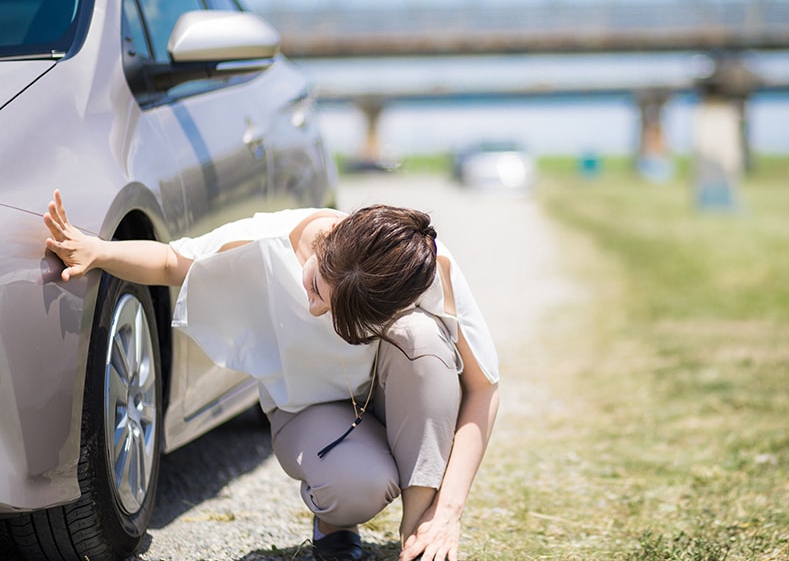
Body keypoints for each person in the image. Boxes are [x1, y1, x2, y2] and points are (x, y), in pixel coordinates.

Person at [43, 190, 500, 561]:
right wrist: (99, 252)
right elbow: (169, 262)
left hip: (391, 394)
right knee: (355, 486)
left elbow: (482, 388)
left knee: (422, 338)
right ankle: (336, 523)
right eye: (318, 287)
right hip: (309, 409)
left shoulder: (420, 269)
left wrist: (447, 513)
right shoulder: (265, 240)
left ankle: (418, 539)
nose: (316, 308)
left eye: (339, 313)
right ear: (326, 242)